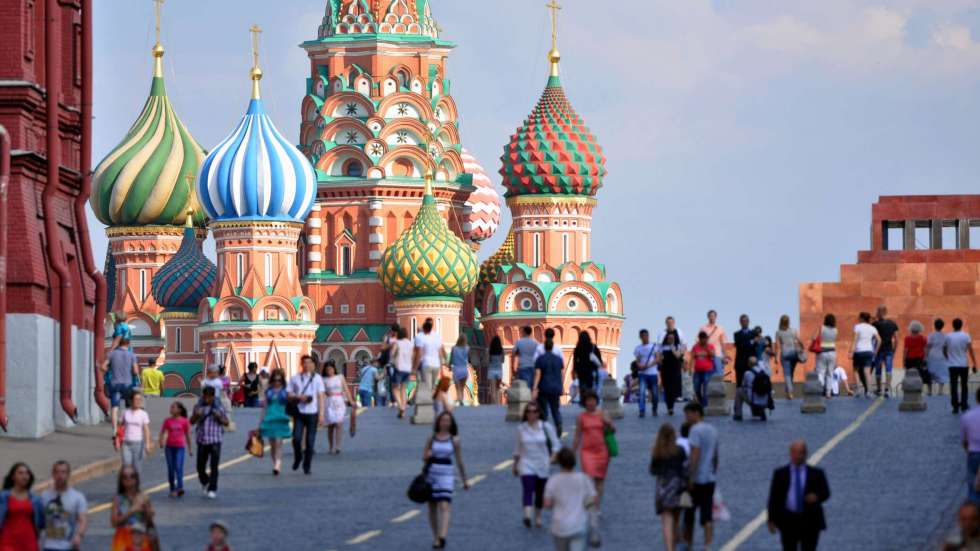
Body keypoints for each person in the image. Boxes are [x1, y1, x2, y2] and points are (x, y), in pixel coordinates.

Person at [767, 440, 831, 551]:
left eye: (801, 453)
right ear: (790, 453)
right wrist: (771, 520)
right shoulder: (780, 474)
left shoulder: (816, 473)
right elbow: (774, 498)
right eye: (795, 452)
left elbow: (826, 492)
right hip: (788, 521)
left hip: (810, 521)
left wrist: (816, 496)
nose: (798, 456)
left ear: (806, 454)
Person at [423, 411, 469, 549]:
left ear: (451, 423)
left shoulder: (454, 440)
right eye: (443, 420)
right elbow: (424, 456)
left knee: (444, 504)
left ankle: (442, 536)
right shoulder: (431, 438)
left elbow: (459, 461)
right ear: (438, 422)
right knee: (432, 506)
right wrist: (428, 454)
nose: (445, 423)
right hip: (432, 473)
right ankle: (436, 536)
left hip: (446, 474)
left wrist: (464, 480)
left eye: (447, 420)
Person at [512, 402, 559, 528]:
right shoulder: (521, 429)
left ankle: (537, 516)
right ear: (526, 414)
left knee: (540, 492)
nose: (531, 414)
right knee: (528, 489)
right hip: (526, 463)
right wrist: (515, 465)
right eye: (529, 411)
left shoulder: (546, 427)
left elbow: (556, 445)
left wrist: (552, 457)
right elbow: (517, 448)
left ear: (539, 413)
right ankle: (527, 516)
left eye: (534, 411)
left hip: (543, 464)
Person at [543, 448, 597, 551]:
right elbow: (593, 500)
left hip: (560, 527)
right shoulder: (583, 479)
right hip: (579, 525)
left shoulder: (553, 480)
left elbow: (547, 504)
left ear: (559, 462)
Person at [683, 402, 718, 551]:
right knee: (707, 514)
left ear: (696, 413)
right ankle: (707, 545)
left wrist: (691, 476)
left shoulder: (695, 430)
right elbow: (716, 455)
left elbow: (695, 454)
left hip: (697, 479)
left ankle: (688, 543)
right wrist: (713, 472)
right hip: (710, 478)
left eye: (688, 414)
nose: (686, 418)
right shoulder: (713, 430)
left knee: (689, 514)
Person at [572, 390, 613, 509]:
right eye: (588, 400)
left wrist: (608, 423)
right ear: (584, 403)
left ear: (596, 401)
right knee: (588, 477)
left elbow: (612, 431)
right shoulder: (581, 417)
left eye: (593, 400)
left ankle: (596, 506)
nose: (591, 403)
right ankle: (590, 501)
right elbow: (577, 435)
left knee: (599, 479)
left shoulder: (602, 414)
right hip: (587, 451)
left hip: (602, 451)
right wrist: (573, 452)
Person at [650, 423, 687, 551]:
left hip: (663, 487)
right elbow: (684, 468)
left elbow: (653, 470)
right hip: (677, 486)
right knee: (676, 518)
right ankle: (678, 540)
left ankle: (669, 548)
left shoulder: (657, 451)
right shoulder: (680, 450)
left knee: (666, 521)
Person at [288, 355, 326, 473]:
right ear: (301, 364)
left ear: (312, 365)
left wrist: (321, 414)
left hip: (312, 413)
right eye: (304, 362)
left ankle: (307, 465)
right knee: (296, 438)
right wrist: (298, 396)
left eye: (309, 362)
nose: (307, 365)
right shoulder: (295, 378)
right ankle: (298, 456)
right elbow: (288, 393)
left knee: (310, 441)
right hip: (299, 412)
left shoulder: (318, 378)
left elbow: (321, 396)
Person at [190, 386, 229, 498]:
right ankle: (205, 481)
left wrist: (219, 417)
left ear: (213, 397)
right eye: (205, 397)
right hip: (202, 440)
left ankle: (212, 488)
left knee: (214, 466)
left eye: (209, 397)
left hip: (215, 440)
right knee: (200, 466)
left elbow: (226, 422)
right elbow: (191, 421)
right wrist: (196, 415)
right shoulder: (198, 407)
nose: (207, 399)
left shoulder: (219, 408)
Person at [40, 461, 87, 551]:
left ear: (68, 474)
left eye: (63, 472)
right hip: (48, 546)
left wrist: (78, 535)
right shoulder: (45, 496)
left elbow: (82, 520)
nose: (60, 475)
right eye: (57, 472)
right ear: (53, 474)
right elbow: (39, 520)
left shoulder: (77, 497)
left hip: (68, 546)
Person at [101, 337, 140, 439]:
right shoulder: (131, 355)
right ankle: (126, 429)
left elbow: (103, 367)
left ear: (119, 344)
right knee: (128, 407)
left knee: (114, 407)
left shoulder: (112, 354)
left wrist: (110, 369)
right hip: (127, 384)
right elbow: (136, 371)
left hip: (115, 384)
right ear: (128, 344)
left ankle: (114, 431)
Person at [110, 466, 154, 551]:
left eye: (132, 476)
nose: (129, 479)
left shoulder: (143, 497)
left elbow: (150, 523)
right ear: (121, 480)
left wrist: (148, 512)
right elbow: (114, 523)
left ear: (136, 479)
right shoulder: (117, 499)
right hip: (122, 540)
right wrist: (131, 511)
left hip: (141, 538)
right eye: (125, 477)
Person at [0, 463, 43, 551]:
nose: (24, 476)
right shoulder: (3, 497)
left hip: (29, 541)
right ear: (13, 477)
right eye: (20, 473)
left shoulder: (35, 499)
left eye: (27, 473)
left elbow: (41, 522)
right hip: (8, 541)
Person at [258, 368, 290, 475]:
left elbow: (290, 405)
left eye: (279, 380)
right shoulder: (269, 392)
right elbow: (265, 408)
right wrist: (260, 422)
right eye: (275, 380)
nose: (277, 382)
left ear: (282, 381)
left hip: (281, 418)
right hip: (270, 418)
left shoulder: (285, 392)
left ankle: (278, 464)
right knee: (272, 445)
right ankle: (275, 462)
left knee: (278, 442)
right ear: (272, 380)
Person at [531, 337, 565, 437]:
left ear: (544, 347)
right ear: (552, 347)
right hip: (555, 388)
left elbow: (538, 374)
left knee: (544, 410)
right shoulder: (558, 359)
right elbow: (561, 374)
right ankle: (558, 424)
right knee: (555, 409)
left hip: (544, 387)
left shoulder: (540, 359)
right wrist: (561, 385)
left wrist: (534, 388)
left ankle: (545, 429)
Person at [158, 401, 191, 497]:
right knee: (171, 469)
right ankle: (172, 488)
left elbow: (187, 435)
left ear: (179, 410)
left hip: (180, 447)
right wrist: (161, 441)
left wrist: (190, 448)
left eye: (173, 407)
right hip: (169, 447)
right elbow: (162, 432)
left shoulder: (184, 421)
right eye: (171, 407)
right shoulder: (167, 421)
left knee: (178, 466)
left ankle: (180, 487)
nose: (171, 409)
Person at [322, 360, 355, 455]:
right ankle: (331, 446)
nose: (329, 371)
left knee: (339, 424)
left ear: (334, 369)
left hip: (339, 401)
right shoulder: (323, 379)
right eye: (328, 369)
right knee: (331, 426)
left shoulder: (340, 377)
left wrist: (351, 401)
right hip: (329, 402)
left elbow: (346, 389)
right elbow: (321, 392)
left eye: (331, 369)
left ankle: (338, 446)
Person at [948, 318, 977, 415]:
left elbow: (944, 349)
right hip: (963, 364)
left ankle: (955, 407)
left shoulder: (948, 336)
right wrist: (974, 363)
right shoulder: (966, 336)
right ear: (961, 325)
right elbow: (970, 350)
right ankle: (964, 404)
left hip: (952, 365)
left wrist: (948, 357)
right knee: (964, 385)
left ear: (953, 325)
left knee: (953, 386)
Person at [120, 390, 153, 475]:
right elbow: (121, 427)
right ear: (131, 401)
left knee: (137, 468)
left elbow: (146, 429)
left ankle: (136, 483)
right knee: (126, 467)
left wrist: (148, 444)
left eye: (140, 400)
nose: (138, 402)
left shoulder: (143, 414)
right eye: (136, 399)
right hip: (126, 443)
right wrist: (117, 440)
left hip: (138, 444)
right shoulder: (125, 412)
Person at [849, 312, 880, 398]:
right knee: (867, 372)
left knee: (856, 370)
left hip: (859, 351)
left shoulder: (858, 327)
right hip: (869, 351)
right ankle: (869, 391)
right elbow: (879, 340)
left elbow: (855, 339)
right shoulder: (872, 328)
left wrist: (851, 351)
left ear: (862, 318)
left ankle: (859, 390)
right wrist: (875, 351)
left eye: (859, 317)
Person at [872, 306, 900, 398]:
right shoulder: (892, 323)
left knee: (878, 370)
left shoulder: (875, 324)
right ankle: (887, 389)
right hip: (889, 350)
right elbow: (896, 339)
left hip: (879, 350)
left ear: (879, 312)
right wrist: (894, 350)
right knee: (889, 369)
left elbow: (872, 337)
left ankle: (879, 389)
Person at [774, 315, 803, 400]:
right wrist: (802, 348)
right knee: (791, 373)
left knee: (787, 374)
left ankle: (789, 392)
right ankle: (788, 392)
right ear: (788, 322)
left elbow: (777, 346)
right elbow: (799, 340)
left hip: (785, 353)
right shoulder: (794, 330)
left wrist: (776, 357)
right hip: (793, 353)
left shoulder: (778, 332)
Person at [735, 357, 772, 421]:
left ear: (749, 364)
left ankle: (738, 414)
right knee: (752, 391)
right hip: (766, 401)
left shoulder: (747, 373)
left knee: (739, 391)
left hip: (753, 400)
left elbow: (743, 385)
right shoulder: (764, 372)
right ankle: (758, 411)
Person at [414, 318, 447, 391]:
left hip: (426, 364)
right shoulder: (437, 336)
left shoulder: (420, 337)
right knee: (432, 386)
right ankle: (432, 396)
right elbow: (441, 352)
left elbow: (418, 353)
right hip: (436, 365)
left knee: (427, 386)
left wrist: (414, 367)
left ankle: (428, 397)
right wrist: (442, 367)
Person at [634, 329, 659, 417]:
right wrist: (640, 366)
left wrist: (648, 365)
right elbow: (637, 361)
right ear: (640, 337)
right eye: (643, 336)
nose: (645, 337)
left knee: (655, 393)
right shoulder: (638, 348)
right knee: (642, 392)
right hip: (642, 374)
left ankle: (654, 409)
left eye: (646, 336)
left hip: (653, 373)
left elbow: (657, 359)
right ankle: (642, 410)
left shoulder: (654, 346)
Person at [658, 332, 684, 415]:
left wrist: (672, 347)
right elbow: (659, 358)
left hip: (675, 370)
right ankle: (669, 407)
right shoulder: (662, 347)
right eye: (669, 338)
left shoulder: (678, 346)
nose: (670, 339)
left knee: (672, 389)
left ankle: (671, 407)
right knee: (667, 389)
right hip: (665, 370)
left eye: (672, 338)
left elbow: (678, 356)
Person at [813, 314, 838, 398]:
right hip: (832, 352)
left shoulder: (822, 328)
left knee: (821, 373)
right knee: (830, 373)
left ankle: (819, 390)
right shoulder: (835, 330)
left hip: (822, 352)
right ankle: (828, 393)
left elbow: (813, 338)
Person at [391, 327, 414, 418]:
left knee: (395, 388)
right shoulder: (410, 343)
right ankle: (403, 409)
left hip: (399, 368)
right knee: (403, 389)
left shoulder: (397, 343)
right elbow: (413, 356)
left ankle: (400, 406)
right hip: (408, 369)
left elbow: (392, 354)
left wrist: (394, 360)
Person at [962, 388, 980, 503]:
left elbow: (964, 441)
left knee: (973, 487)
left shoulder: (967, 416)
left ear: (977, 398)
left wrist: (968, 451)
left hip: (973, 453)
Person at [689, 331, 716, 406]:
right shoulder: (695, 347)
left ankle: (705, 407)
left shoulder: (710, 346)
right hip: (697, 372)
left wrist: (707, 347)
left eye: (705, 339)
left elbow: (713, 355)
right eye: (702, 339)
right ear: (700, 339)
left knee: (706, 390)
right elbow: (692, 358)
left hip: (708, 371)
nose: (704, 340)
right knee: (696, 389)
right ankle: (701, 403)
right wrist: (690, 369)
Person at [700, 310, 728, 376]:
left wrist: (725, 356)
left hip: (717, 355)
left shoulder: (720, 329)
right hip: (706, 356)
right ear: (708, 317)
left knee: (718, 376)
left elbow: (723, 344)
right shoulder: (703, 328)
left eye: (713, 316)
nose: (712, 317)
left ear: (715, 317)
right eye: (710, 316)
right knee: (707, 377)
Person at [927, 319, 949, 397]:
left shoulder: (931, 335)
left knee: (930, 372)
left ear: (934, 325)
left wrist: (926, 356)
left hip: (932, 355)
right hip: (941, 356)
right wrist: (947, 357)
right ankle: (940, 390)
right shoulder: (945, 336)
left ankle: (929, 391)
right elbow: (945, 348)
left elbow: (928, 346)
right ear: (942, 326)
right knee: (941, 373)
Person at [733, 314, 755, 388]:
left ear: (748, 322)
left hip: (751, 363)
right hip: (740, 363)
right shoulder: (737, 334)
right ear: (740, 322)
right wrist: (751, 342)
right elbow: (740, 345)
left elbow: (755, 346)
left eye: (746, 321)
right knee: (739, 385)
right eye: (743, 321)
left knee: (751, 384)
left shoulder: (753, 334)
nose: (745, 322)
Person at [449, 335, 471, 406]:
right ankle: (461, 400)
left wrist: (449, 367)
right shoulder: (467, 348)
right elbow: (469, 360)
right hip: (464, 370)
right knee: (462, 387)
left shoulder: (454, 348)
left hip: (456, 370)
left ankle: (460, 399)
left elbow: (451, 360)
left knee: (458, 388)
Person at [487, 336, 505, 405]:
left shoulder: (490, 350)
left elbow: (488, 360)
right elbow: (503, 360)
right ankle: (497, 403)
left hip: (491, 371)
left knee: (493, 389)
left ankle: (493, 403)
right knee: (498, 388)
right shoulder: (501, 350)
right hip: (499, 371)